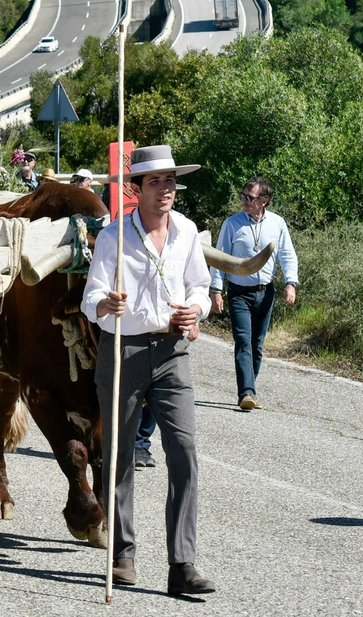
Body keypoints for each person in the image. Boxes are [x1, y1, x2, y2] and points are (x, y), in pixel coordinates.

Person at [81, 145, 215, 596]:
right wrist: (106, 303)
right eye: (156, 181)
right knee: (119, 454)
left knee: (184, 450)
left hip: (173, 351)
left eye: (170, 181)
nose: (166, 189)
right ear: (136, 190)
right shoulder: (113, 236)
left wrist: (195, 309)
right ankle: (122, 555)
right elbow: (91, 298)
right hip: (124, 350)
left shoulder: (187, 231)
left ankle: (183, 565)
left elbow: (200, 286)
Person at [208, 177, 299, 411]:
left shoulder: (277, 223)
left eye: (250, 197)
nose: (244, 200)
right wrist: (216, 290)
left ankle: (250, 387)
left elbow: (287, 254)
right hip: (238, 293)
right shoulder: (232, 223)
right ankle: (246, 393)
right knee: (243, 342)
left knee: (257, 345)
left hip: (265, 293)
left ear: (264, 201)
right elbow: (219, 257)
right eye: (243, 195)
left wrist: (290, 283)